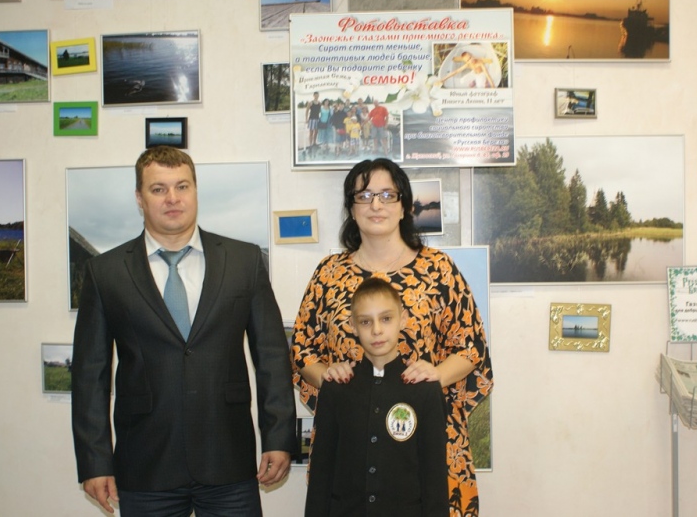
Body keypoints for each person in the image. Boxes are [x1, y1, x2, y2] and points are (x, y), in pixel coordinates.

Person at [71, 146, 296, 516]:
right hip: (145, 464)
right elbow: (89, 376)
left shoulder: (243, 261)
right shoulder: (105, 272)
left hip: (229, 461)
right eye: (158, 189)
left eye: (182, 186)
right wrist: (95, 461)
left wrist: (279, 437)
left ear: (195, 191)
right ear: (139, 198)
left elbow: (271, 356)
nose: (172, 198)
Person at [291, 158, 493, 516]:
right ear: (351, 208)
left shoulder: (439, 269)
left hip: (426, 447)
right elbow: (303, 350)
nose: (376, 205)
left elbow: (471, 347)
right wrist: (328, 376)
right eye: (364, 195)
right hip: (351, 450)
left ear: (404, 206)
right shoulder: (328, 274)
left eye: (387, 194)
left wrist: (436, 375)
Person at [304, 277, 448, 516]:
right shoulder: (336, 388)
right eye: (365, 322)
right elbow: (321, 474)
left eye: (386, 319)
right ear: (353, 326)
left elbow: (435, 479)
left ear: (403, 319)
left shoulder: (425, 389)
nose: (377, 330)